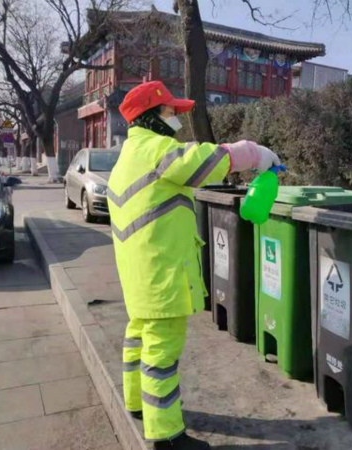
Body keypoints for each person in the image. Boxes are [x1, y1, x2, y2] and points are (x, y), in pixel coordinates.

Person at [108, 81, 280, 450]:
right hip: (162, 271)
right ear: (151, 116)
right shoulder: (157, 150)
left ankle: (137, 403)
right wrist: (254, 154)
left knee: (138, 338)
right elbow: (203, 162)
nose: (176, 120)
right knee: (161, 354)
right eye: (171, 112)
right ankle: (166, 434)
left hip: (139, 273)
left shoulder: (128, 156)